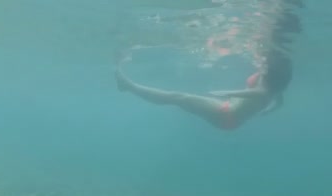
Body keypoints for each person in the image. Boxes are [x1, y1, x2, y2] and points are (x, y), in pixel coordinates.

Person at [115, 0, 300, 131]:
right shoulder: (276, 85)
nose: (264, 62)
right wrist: (269, 109)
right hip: (228, 111)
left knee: (177, 97)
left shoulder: (265, 91)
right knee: (178, 98)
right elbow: (278, 100)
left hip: (226, 117)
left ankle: (128, 86)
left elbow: (252, 94)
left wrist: (223, 93)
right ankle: (128, 86)